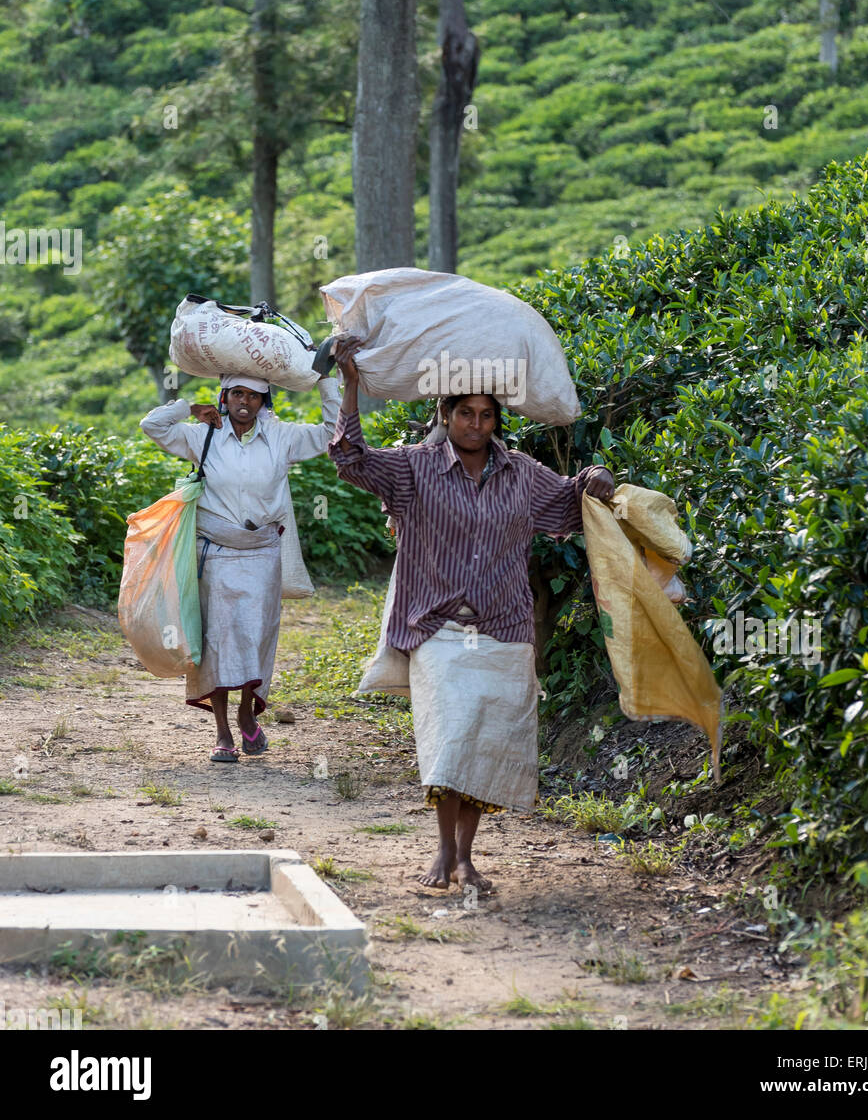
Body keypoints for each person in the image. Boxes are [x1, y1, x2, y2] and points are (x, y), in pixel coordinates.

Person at [328, 334, 615, 891]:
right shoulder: (414, 470)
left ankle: (465, 857)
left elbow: (569, 505)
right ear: (447, 414)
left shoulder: (523, 474)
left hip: (505, 628)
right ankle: (441, 851)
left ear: (496, 421)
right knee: (453, 736)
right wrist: (351, 384)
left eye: (486, 415)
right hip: (438, 627)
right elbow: (352, 459)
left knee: (484, 742)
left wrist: (596, 476)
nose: (476, 425)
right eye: (466, 414)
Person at [140, 371, 342, 763]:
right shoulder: (202, 435)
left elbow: (333, 430)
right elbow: (152, 425)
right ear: (224, 397)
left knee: (256, 636)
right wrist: (188, 408)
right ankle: (222, 730)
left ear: (265, 401)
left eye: (253, 395)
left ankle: (247, 711)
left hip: (263, 552)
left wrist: (325, 381)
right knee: (216, 640)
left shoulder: (282, 437)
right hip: (215, 552)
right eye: (236, 394)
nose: (244, 402)